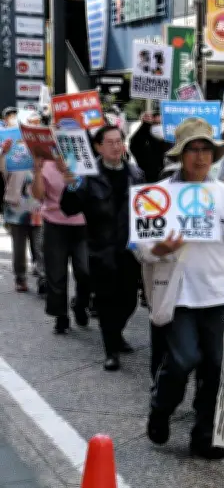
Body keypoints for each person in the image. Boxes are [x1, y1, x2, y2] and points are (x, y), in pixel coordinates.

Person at [136, 118, 224, 460]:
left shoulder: (223, 192)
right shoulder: (160, 193)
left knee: (216, 365)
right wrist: (160, 250)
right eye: (193, 149)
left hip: (217, 290)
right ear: (181, 155)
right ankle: (160, 406)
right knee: (182, 360)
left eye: (206, 149)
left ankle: (205, 436)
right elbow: (142, 246)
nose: (200, 157)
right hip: (177, 292)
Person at [60, 125, 145, 371]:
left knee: (129, 301)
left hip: (130, 250)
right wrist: (71, 185)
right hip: (100, 250)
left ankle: (116, 333)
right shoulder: (86, 176)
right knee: (107, 302)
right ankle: (111, 350)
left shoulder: (136, 174)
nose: (116, 146)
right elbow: (69, 208)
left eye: (119, 141)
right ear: (98, 147)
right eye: (110, 142)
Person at [31, 155, 91, 333]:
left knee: (85, 270)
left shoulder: (84, 158)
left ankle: (80, 304)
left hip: (83, 224)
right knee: (56, 272)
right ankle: (60, 315)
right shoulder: (46, 163)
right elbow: (39, 195)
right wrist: (37, 171)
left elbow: (89, 191)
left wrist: (69, 172)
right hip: (54, 223)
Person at [0, 140, 42, 292]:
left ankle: (43, 276)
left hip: (38, 206)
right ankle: (20, 277)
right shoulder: (11, 150)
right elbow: (3, 172)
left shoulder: (40, 149)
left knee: (40, 244)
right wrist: (4, 153)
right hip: (16, 206)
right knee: (19, 246)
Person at [129, 111, 169, 184]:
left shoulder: (169, 139)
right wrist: (146, 125)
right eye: (155, 124)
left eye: (159, 124)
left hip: (165, 179)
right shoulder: (143, 139)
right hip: (148, 179)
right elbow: (136, 146)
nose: (158, 127)